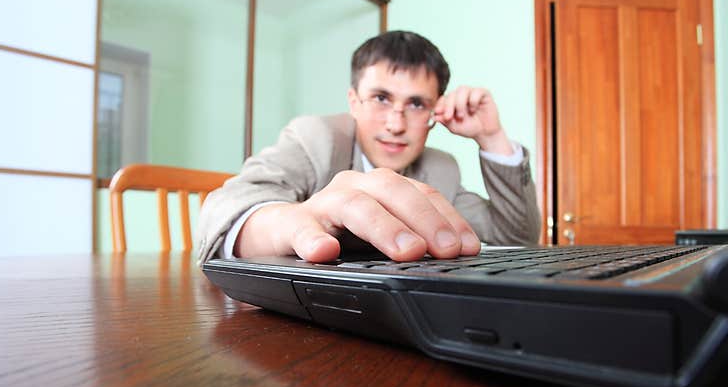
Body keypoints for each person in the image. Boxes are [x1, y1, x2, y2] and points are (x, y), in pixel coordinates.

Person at [196, 30, 541, 266]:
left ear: (436, 111)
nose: (395, 124)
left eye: (417, 104)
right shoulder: (315, 138)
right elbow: (223, 212)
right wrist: (292, 225)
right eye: (380, 98)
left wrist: (491, 137)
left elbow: (515, 236)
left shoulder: (441, 168)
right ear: (354, 102)